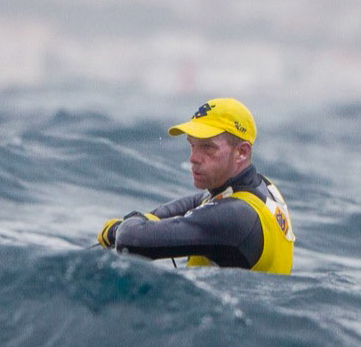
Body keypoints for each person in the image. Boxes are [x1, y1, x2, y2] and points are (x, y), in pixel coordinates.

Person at [97, 97, 294, 274]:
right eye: (192, 145)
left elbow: (132, 241)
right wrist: (151, 217)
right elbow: (200, 200)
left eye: (207, 147)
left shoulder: (235, 217)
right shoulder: (260, 187)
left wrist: (117, 229)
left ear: (242, 152)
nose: (193, 158)